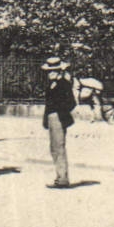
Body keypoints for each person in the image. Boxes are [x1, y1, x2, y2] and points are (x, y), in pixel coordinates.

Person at [42, 55, 77, 188]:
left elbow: (71, 103)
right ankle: (59, 176)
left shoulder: (64, 84)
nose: (50, 73)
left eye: (54, 71)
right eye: (49, 71)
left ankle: (62, 178)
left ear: (59, 71)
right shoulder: (50, 85)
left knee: (59, 147)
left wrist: (60, 111)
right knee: (54, 148)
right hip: (51, 118)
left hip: (59, 118)